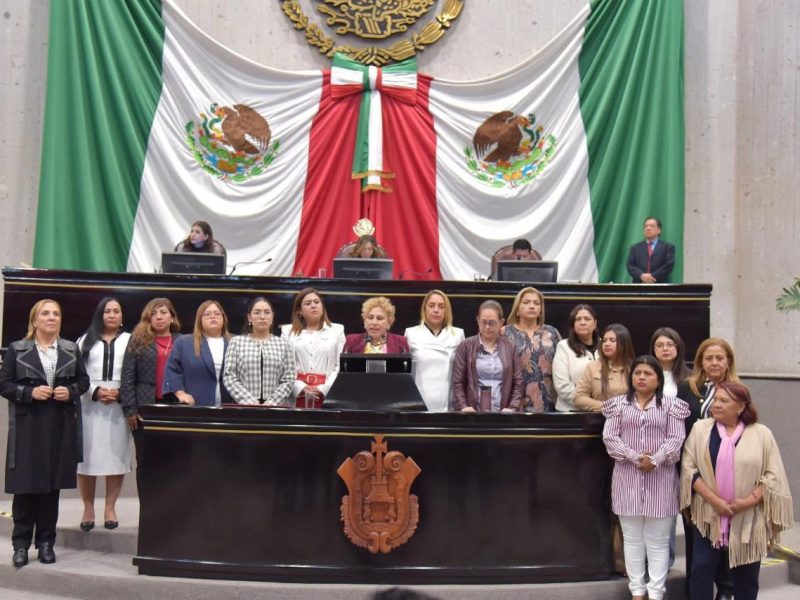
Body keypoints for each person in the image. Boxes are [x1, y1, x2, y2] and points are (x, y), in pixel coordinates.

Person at [681, 382, 793, 600]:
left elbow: (773, 476)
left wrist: (748, 501)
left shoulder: (762, 434)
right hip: (708, 514)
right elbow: (689, 469)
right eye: (716, 399)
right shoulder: (701, 429)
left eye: (724, 401)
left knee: (746, 577)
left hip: (748, 516)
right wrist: (715, 501)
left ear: (741, 407)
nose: (717, 405)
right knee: (701, 570)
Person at [0, 299, 89, 568]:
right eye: (46, 313)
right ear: (35, 320)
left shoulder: (71, 349)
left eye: (56, 314)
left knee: (51, 487)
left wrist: (70, 391)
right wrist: (29, 392)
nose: (52, 318)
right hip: (29, 425)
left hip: (59, 424)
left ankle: (47, 542)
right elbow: (4, 383)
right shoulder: (18, 348)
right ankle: (21, 544)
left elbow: (83, 381)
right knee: (25, 487)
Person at [602, 356, 689, 600]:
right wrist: (635, 457)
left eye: (647, 373)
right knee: (631, 539)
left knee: (658, 540)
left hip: (660, 479)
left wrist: (656, 459)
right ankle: (637, 591)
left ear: (658, 380)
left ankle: (656, 592)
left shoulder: (671, 405)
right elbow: (610, 437)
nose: (641, 377)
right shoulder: (618, 404)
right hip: (627, 479)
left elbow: (676, 439)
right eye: (637, 372)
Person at [676, 337, 740, 598]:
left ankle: (725, 590)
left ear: (728, 362)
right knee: (697, 539)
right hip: (695, 475)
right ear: (701, 361)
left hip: (729, 475)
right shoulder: (687, 388)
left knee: (726, 535)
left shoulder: (738, 389)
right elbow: (678, 431)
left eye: (720, 358)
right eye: (709, 358)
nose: (714, 362)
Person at [76, 298, 132, 533]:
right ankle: (88, 509)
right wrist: (95, 392)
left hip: (119, 405)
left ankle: (110, 508)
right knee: (86, 460)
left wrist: (121, 392)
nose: (111, 315)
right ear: (100, 314)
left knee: (116, 457)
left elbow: (134, 373)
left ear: (121, 315)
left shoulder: (131, 341)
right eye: (107, 311)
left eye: (116, 311)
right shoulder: (83, 341)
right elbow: (77, 374)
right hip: (90, 404)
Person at [120, 298, 182, 494]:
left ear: (172, 317)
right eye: (153, 314)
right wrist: (130, 409)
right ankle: (148, 504)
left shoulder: (183, 341)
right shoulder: (138, 340)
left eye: (163, 312)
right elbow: (127, 377)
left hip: (175, 407)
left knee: (174, 459)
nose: (159, 317)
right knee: (147, 460)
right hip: (145, 408)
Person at [452, 300, 523, 412]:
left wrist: (512, 408)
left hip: (504, 414)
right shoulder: (465, 346)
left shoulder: (511, 348)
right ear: (477, 321)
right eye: (483, 322)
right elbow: (458, 383)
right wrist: (463, 406)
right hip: (472, 414)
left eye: (492, 323)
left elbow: (518, 383)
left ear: (501, 322)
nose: (487, 327)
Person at [280, 288, 345, 408]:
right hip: (295, 393)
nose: (313, 306)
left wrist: (324, 388)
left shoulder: (337, 330)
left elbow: (340, 365)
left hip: (327, 394)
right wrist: (300, 387)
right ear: (299, 311)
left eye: (317, 302)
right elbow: (283, 365)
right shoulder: (287, 332)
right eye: (308, 303)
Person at [223, 297, 295, 405]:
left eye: (267, 312)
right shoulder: (236, 342)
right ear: (249, 317)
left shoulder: (284, 344)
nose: (262, 317)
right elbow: (229, 377)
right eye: (257, 312)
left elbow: (288, 378)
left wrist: (272, 402)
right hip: (244, 409)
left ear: (272, 317)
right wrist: (249, 401)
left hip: (275, 410)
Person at [404, 290, 465, 412]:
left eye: (441, 306)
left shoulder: (458, 334)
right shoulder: (411, 333)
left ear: (446, 310)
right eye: (431, 305)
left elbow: (462, 374)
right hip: (417, 402)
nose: (436, 310)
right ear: (424, 308)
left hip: (447, 404)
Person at [163, 300, 232, 408]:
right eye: (208, 314)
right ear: (199, 319)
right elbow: (173, 370)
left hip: (230, 409)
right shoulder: (184, 343)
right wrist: (180, 393)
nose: (213, 316)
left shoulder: (236, 342)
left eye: (217, 314)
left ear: (223, 318)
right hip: (196, 407)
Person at [503, 287, 561, 412]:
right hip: (513, 402)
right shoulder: (504, 333)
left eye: (536, 303)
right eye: (526, 302)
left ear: (541, 310)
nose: (532, 306)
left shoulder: (552, 332)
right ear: (517, 308)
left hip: (549, 403)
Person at [574, 324, 635, 412]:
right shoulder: (592, 367)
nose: (606, 344)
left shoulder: (635, 368)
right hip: (599, 420)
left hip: (629, 420)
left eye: (612, 340)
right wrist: (605, 407)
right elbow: (578, 398)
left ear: (624, 343)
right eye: (604, 341)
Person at [553, 304, 599, 412]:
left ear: (595, 323)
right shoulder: (563, 346)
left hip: (602, 411)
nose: (582, 322)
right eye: (578, 319)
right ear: (573, 325)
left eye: (587, 319)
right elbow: (562, 386)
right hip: (571, 412)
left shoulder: (605, 345)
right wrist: (590, 403)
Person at [343, 296, 410, 354]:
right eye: (370, 317)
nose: (374, 322)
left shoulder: (401, 343)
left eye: (380, 318)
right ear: (364, 321)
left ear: (389, 322)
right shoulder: (351, 341)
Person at [626, 217, 675, 283]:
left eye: (651, 226)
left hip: (659, 286)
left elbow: (669, 265)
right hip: (639, 285)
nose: (648, 228)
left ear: (659, 230)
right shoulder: (635, 248)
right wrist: (641, 275)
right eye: (646, 226)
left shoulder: (668, 247)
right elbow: (630, 266)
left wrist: (651, 277)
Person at [649, 327, 690, 400]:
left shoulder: (690, 376)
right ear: (653, 349)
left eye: (670, 345)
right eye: (659, 345)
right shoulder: (646, 374)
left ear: (678, 348)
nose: (665, 348)